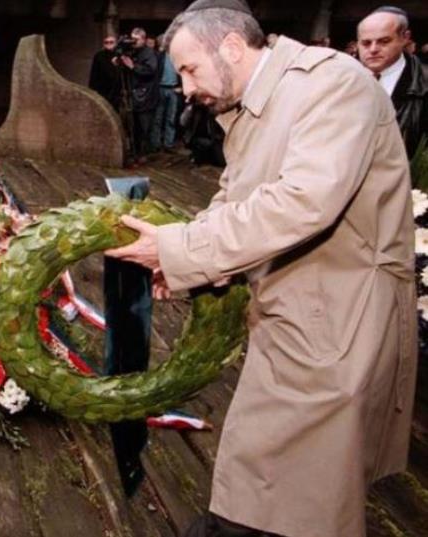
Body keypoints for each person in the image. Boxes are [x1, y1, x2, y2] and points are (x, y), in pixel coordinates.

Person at [106, 1, 417, 536]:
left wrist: (182, 248)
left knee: (287, 492)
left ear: (230, 47)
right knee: (270, 484)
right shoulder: (256, 108)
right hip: (296, 308)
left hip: (339, 318)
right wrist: (189, 260)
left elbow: (303, 201)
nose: (183, 87)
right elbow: (236, 197)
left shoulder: (330, 85)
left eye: (188, 68)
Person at [357, 6, 427, 159]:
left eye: (384, 41)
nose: (373, 49)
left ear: (405, 38)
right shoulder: (340, 78)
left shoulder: (424, 83)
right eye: (366, 43)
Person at [113, 27, 161, 161]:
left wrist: (133, 66)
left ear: (144, 40)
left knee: (144, 126)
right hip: (133, 94)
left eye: (136, 39)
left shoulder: (149, 53)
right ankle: (135, 152)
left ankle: (143, 153)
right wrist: (119, 61)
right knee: (133, 126)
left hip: (145, 96)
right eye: (132, 39)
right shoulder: (132, 52)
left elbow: (151, 71)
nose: (133, 42)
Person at [153, 37, 181, 151]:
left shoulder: (177, 56)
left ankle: (168, 144)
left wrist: (181, 87)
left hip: (174, 89)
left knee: (171, 118)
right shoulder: (159, 56)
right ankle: (156, 144)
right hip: (160, 88)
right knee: (158, 118)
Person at [89, 34, 121, 110]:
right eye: (106, 42)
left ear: (116, 43)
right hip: (103, 90)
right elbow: (94, 74)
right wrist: (93, 90)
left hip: (117, 90)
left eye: (111, 42)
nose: (109, 44)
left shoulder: (119, 55)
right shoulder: (99, 56)